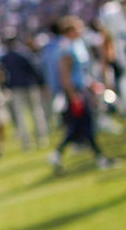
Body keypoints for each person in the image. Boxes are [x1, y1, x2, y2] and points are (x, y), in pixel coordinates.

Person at [49, 15, 117, 173]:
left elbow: (82, 71)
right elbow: (65, 76)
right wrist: (73, 96)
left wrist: (91, 83)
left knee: (80, 127)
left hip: (83, 88)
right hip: (76, 92)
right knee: (84, 125)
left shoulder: (77, 44)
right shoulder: (66, 48)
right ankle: (99, 158)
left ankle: (58, 154)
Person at [0, 32, 50, 150]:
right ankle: (41, 137)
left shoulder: (6, 57)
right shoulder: (24, 52)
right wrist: (41, 83)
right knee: (36, 112)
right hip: (29, 86)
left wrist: (5, 86)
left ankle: (27, 142)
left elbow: (3, 75)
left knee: (21, 115)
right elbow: (35, 68)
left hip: (17, 87)